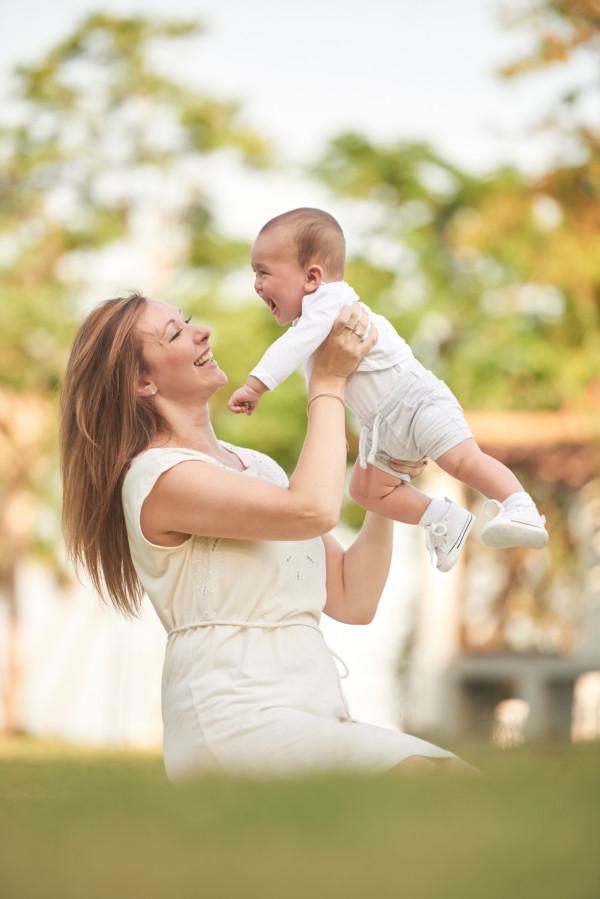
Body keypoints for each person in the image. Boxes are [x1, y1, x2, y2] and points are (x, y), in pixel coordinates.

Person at [59, 292, 465, 779]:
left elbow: (353, 598)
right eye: (174, 333)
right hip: (235, 718)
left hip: (314, 710)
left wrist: (386, 468)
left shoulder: (257, 467)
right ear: (142, 381)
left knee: (459, 782)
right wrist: (329, 381)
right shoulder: (159, 477)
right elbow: (312, 510)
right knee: (432, 779)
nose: (200, 330)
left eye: (186, 320)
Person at [228, 207, 548, 572]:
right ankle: (443, 518)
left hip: (415, 400)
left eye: (263, 273)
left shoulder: (328, 301)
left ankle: (520, 507)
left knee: (461, 460)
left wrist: (255, 386)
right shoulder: (312, 320)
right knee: (366, 493)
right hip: (380, 425)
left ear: (313, 277)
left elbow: (290, 350)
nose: (256, 285)